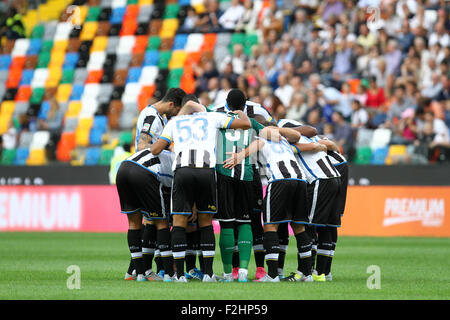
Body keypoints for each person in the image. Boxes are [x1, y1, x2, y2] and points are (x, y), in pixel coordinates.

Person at [151, 101, 252, 282]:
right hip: (206, 171)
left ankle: (180, 275)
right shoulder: (212, 117)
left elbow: (156, 149)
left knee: (179, 221)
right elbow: (246, 124)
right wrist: (240, 113)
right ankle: (208, 274)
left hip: (183, 171)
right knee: (205, 222)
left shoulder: (175, 122)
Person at [224, 124, 313, 282]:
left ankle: (272, 275)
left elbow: (258, 144)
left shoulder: (260, 138)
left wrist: (239, 156)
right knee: (299, 227)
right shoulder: (285, 141)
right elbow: (297, 137)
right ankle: (307, 274)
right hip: (300, 180)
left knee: (270, 226)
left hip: (280, 180)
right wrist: (278, 131)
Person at [131, 88, 186, 281]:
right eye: (177, 110)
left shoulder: (158, 117)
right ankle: (153, 271)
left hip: (151, 172)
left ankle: (137, 270)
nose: (176, 115)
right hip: (149, 172)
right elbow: (142, 146)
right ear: (172, 104)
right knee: (155, 220)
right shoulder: (151, 117)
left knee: (151, 220)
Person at [212, 89, 266, 283]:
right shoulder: (251, 122)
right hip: (247, 175)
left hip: (224, 174)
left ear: (226, 103)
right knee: (246, 222)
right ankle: (243, 271)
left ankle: (228, 273)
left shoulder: (216, 118)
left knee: (226, 224)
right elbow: (270, 136)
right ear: (245, 105)